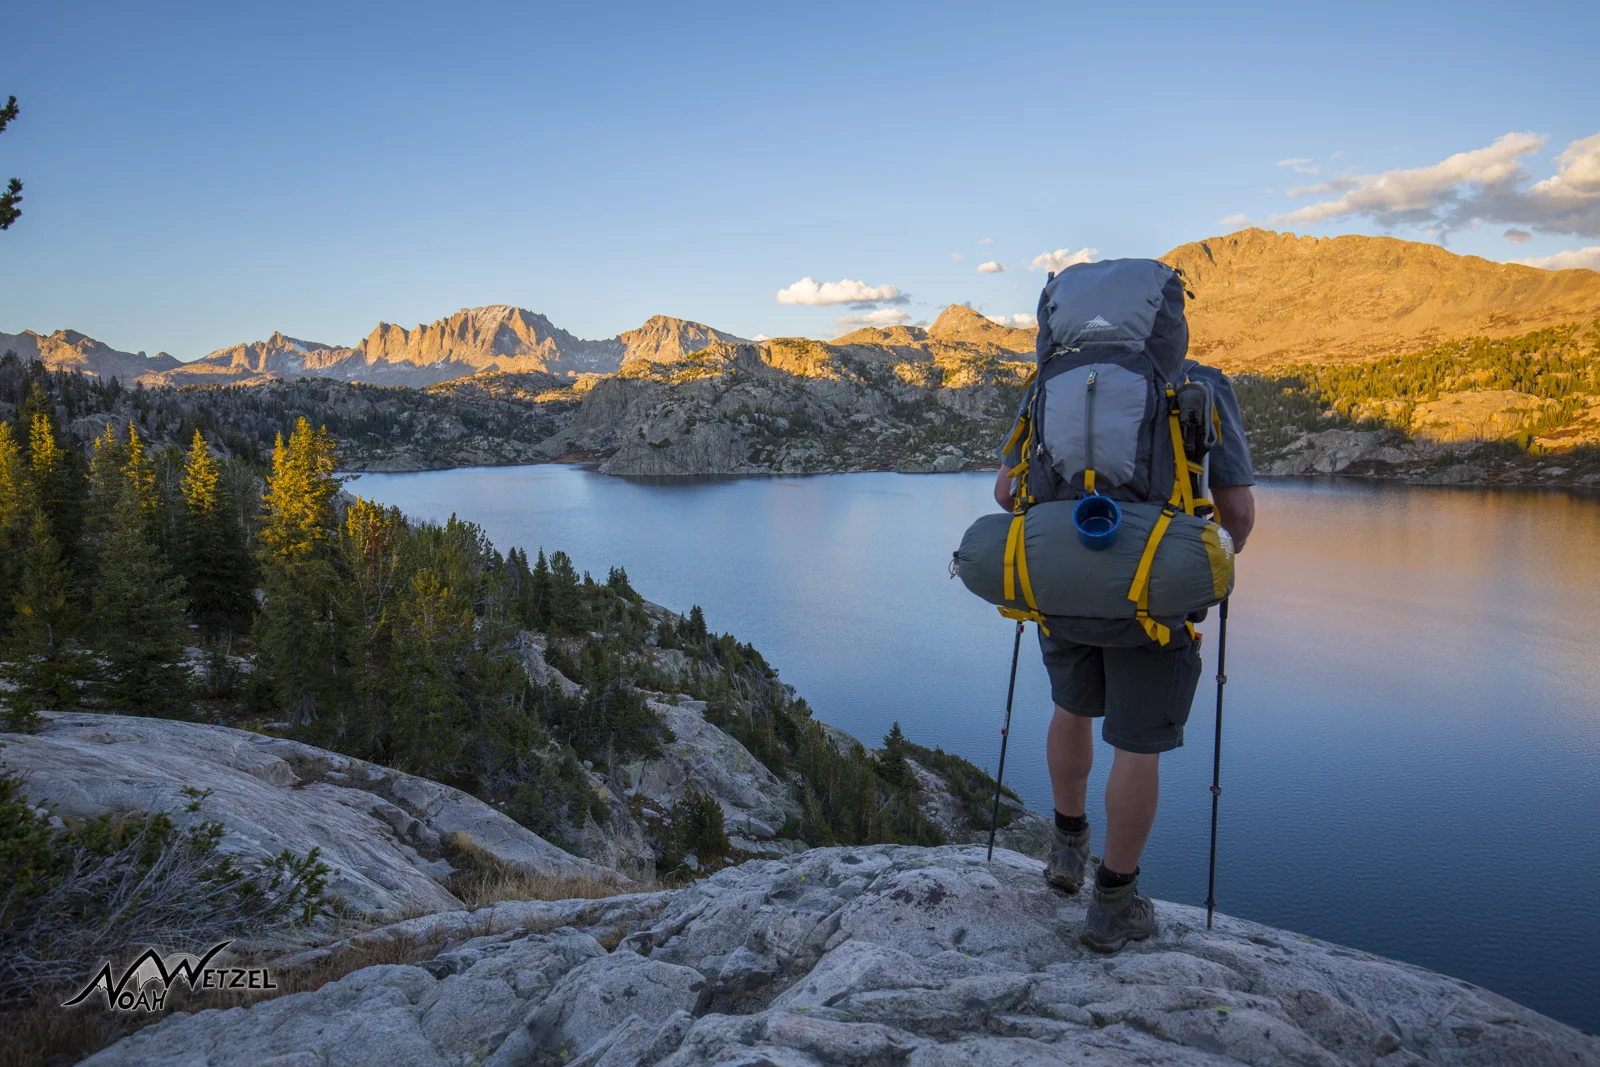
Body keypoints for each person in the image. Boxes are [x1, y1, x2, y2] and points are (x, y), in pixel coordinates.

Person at [992, 363, 1256, 953]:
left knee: (1071, 707)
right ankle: (1113, 905)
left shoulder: (1053, 381)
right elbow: (1235, 513)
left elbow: (1007, 493)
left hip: (1064, 586)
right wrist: (1208, 563)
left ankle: (1065, 852)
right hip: (1155, 597)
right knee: (1136, 746)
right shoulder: (1199, 385)